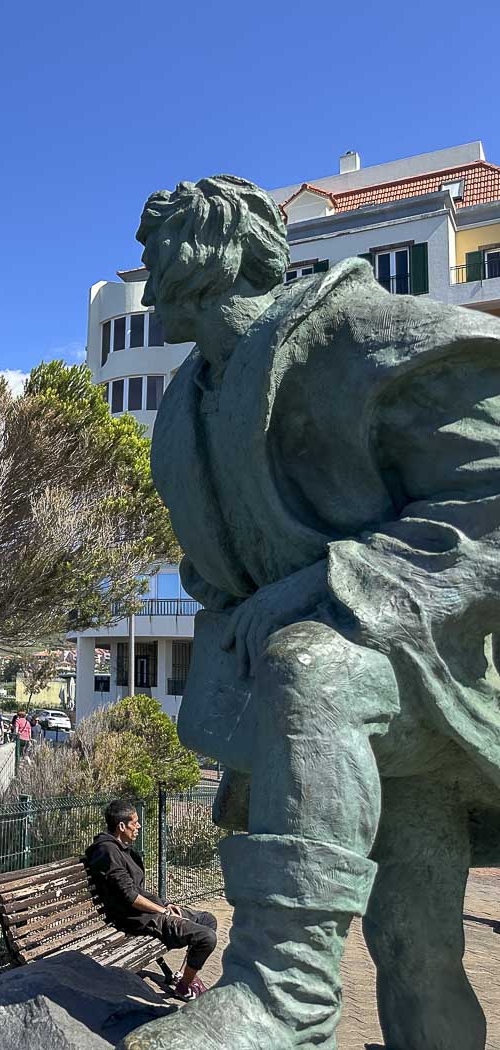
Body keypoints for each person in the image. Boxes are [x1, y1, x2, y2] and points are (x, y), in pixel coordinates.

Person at [125, 174, 500, 1050]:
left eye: (159, 253)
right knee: (416, 948)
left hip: (415, 677)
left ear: (210, 251)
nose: (144, 279)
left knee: (309, 662)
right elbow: (221, 566)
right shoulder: (190, 401)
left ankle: (285, 991)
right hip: (336, 735)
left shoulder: (356, 332)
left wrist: (322, 586)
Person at [85, 799, 218, 1002]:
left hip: (148, 913)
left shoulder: (120, 849)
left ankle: (184, 976)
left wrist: (164, 904)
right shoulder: (107, 851)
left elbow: (137, 891)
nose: (138, 826)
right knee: (206, 937)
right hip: (136, 919)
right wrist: (162, 911)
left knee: (208, 919)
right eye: (134, 822)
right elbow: (130, 896)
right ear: (122, 826)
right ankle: (185, 986)